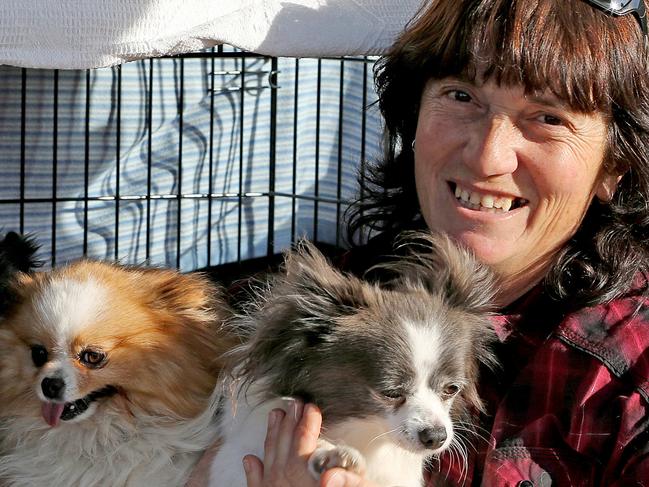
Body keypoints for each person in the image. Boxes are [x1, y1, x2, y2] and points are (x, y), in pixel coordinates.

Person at [191, 0, 649, 485]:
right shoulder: (294, 310)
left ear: (615, 165)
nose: (488, 157)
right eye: (460, 96)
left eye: (548, 118)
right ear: (412, 122)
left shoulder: (631, 366)